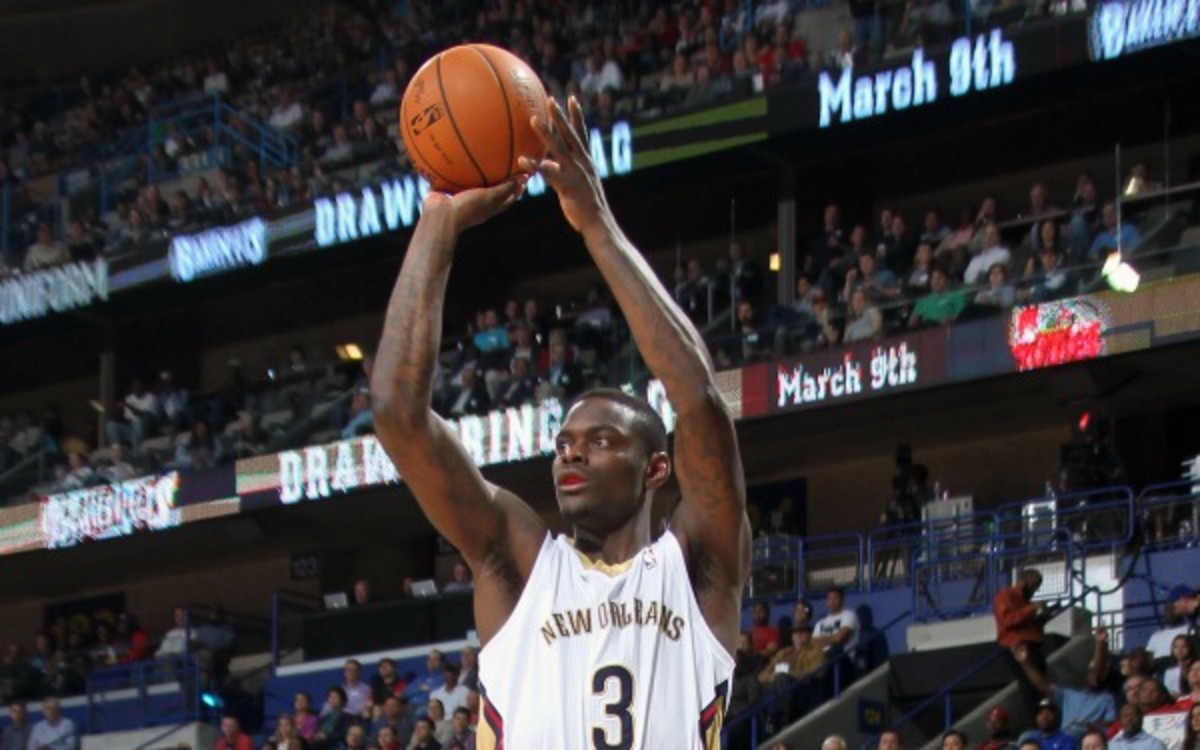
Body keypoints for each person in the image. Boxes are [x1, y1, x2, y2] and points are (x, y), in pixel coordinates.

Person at [370, 95, 750, 749]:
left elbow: (700, 402)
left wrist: (597, 227)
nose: (571, 455)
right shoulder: (517, 564)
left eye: (600, 441)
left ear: (656, 467)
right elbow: (398, 418)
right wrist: (437, 224)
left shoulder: (696, 565)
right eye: (564, 444)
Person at [1013, 629, 1117, 737]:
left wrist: (1101, 643)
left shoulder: (1106, 699)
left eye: (1097, 673)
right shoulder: (1070, 695)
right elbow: (1043, 686)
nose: (1093, 675)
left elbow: (1110, 723)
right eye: (1090, 672)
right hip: (1063, 739)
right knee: (1026, 736)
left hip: (1085, 739)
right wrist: (1025, 663)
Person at [996, 569, 1049, 704]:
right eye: (1033, 586)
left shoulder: (1026, 602)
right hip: (1018, 644)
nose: (1034, 591)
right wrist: (1031, 609)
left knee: (1042, 686)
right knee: (1030, 686)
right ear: (1023, 583)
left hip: (1034, 645)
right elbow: (1008, 620)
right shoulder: (1005, 596)